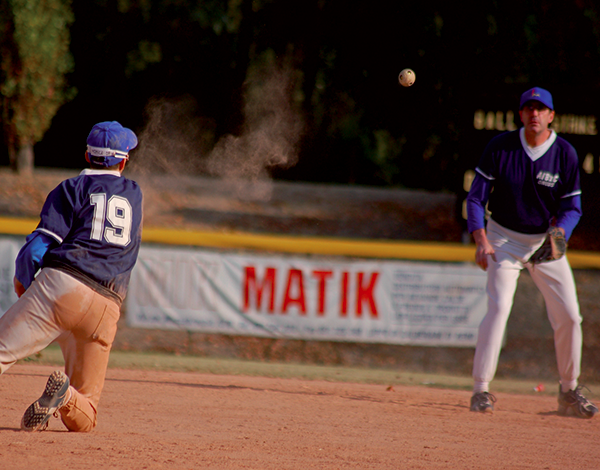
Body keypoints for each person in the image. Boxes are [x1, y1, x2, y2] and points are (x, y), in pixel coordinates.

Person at [0, 121, 143, 432]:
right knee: (87, 413)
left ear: (87, 156)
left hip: (62, 287)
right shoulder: (134, 194)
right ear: (122, 161)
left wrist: (24, 280)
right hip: (107, 305)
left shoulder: (71, 188)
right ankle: (65, 397)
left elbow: (36, 248)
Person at [466, 87, 598, 418]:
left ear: (551, 116)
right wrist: (481, 238)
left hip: (544, 242)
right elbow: (475, 198)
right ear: (521, 114)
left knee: (569, 315)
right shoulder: (501, 147)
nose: (534, 114)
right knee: (499, 308)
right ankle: (481, 390)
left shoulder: (565, 153)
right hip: (502, 239)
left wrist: (559, 235)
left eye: (541, 109)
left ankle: (568, 390)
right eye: (529, 108)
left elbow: (573, 207)